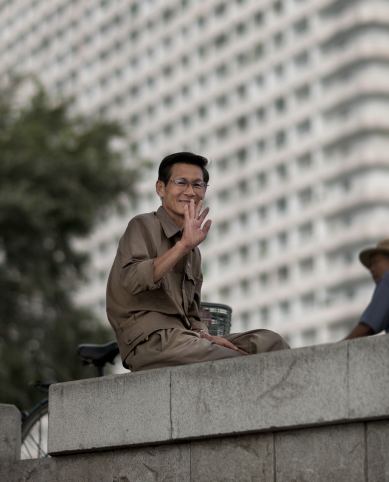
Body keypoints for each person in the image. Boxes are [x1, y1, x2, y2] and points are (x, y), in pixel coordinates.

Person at [106, 151, 289, 371]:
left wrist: (205, 336)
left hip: (186, 339)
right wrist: (182, 247)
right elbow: (132, 280)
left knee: (269, 342)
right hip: (150, 341)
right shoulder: (143, 225)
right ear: (160, 188)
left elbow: (192, 312)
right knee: (238, 362)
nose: (190, 192)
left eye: (198, 185)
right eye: (181, 182)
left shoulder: (192, 249)